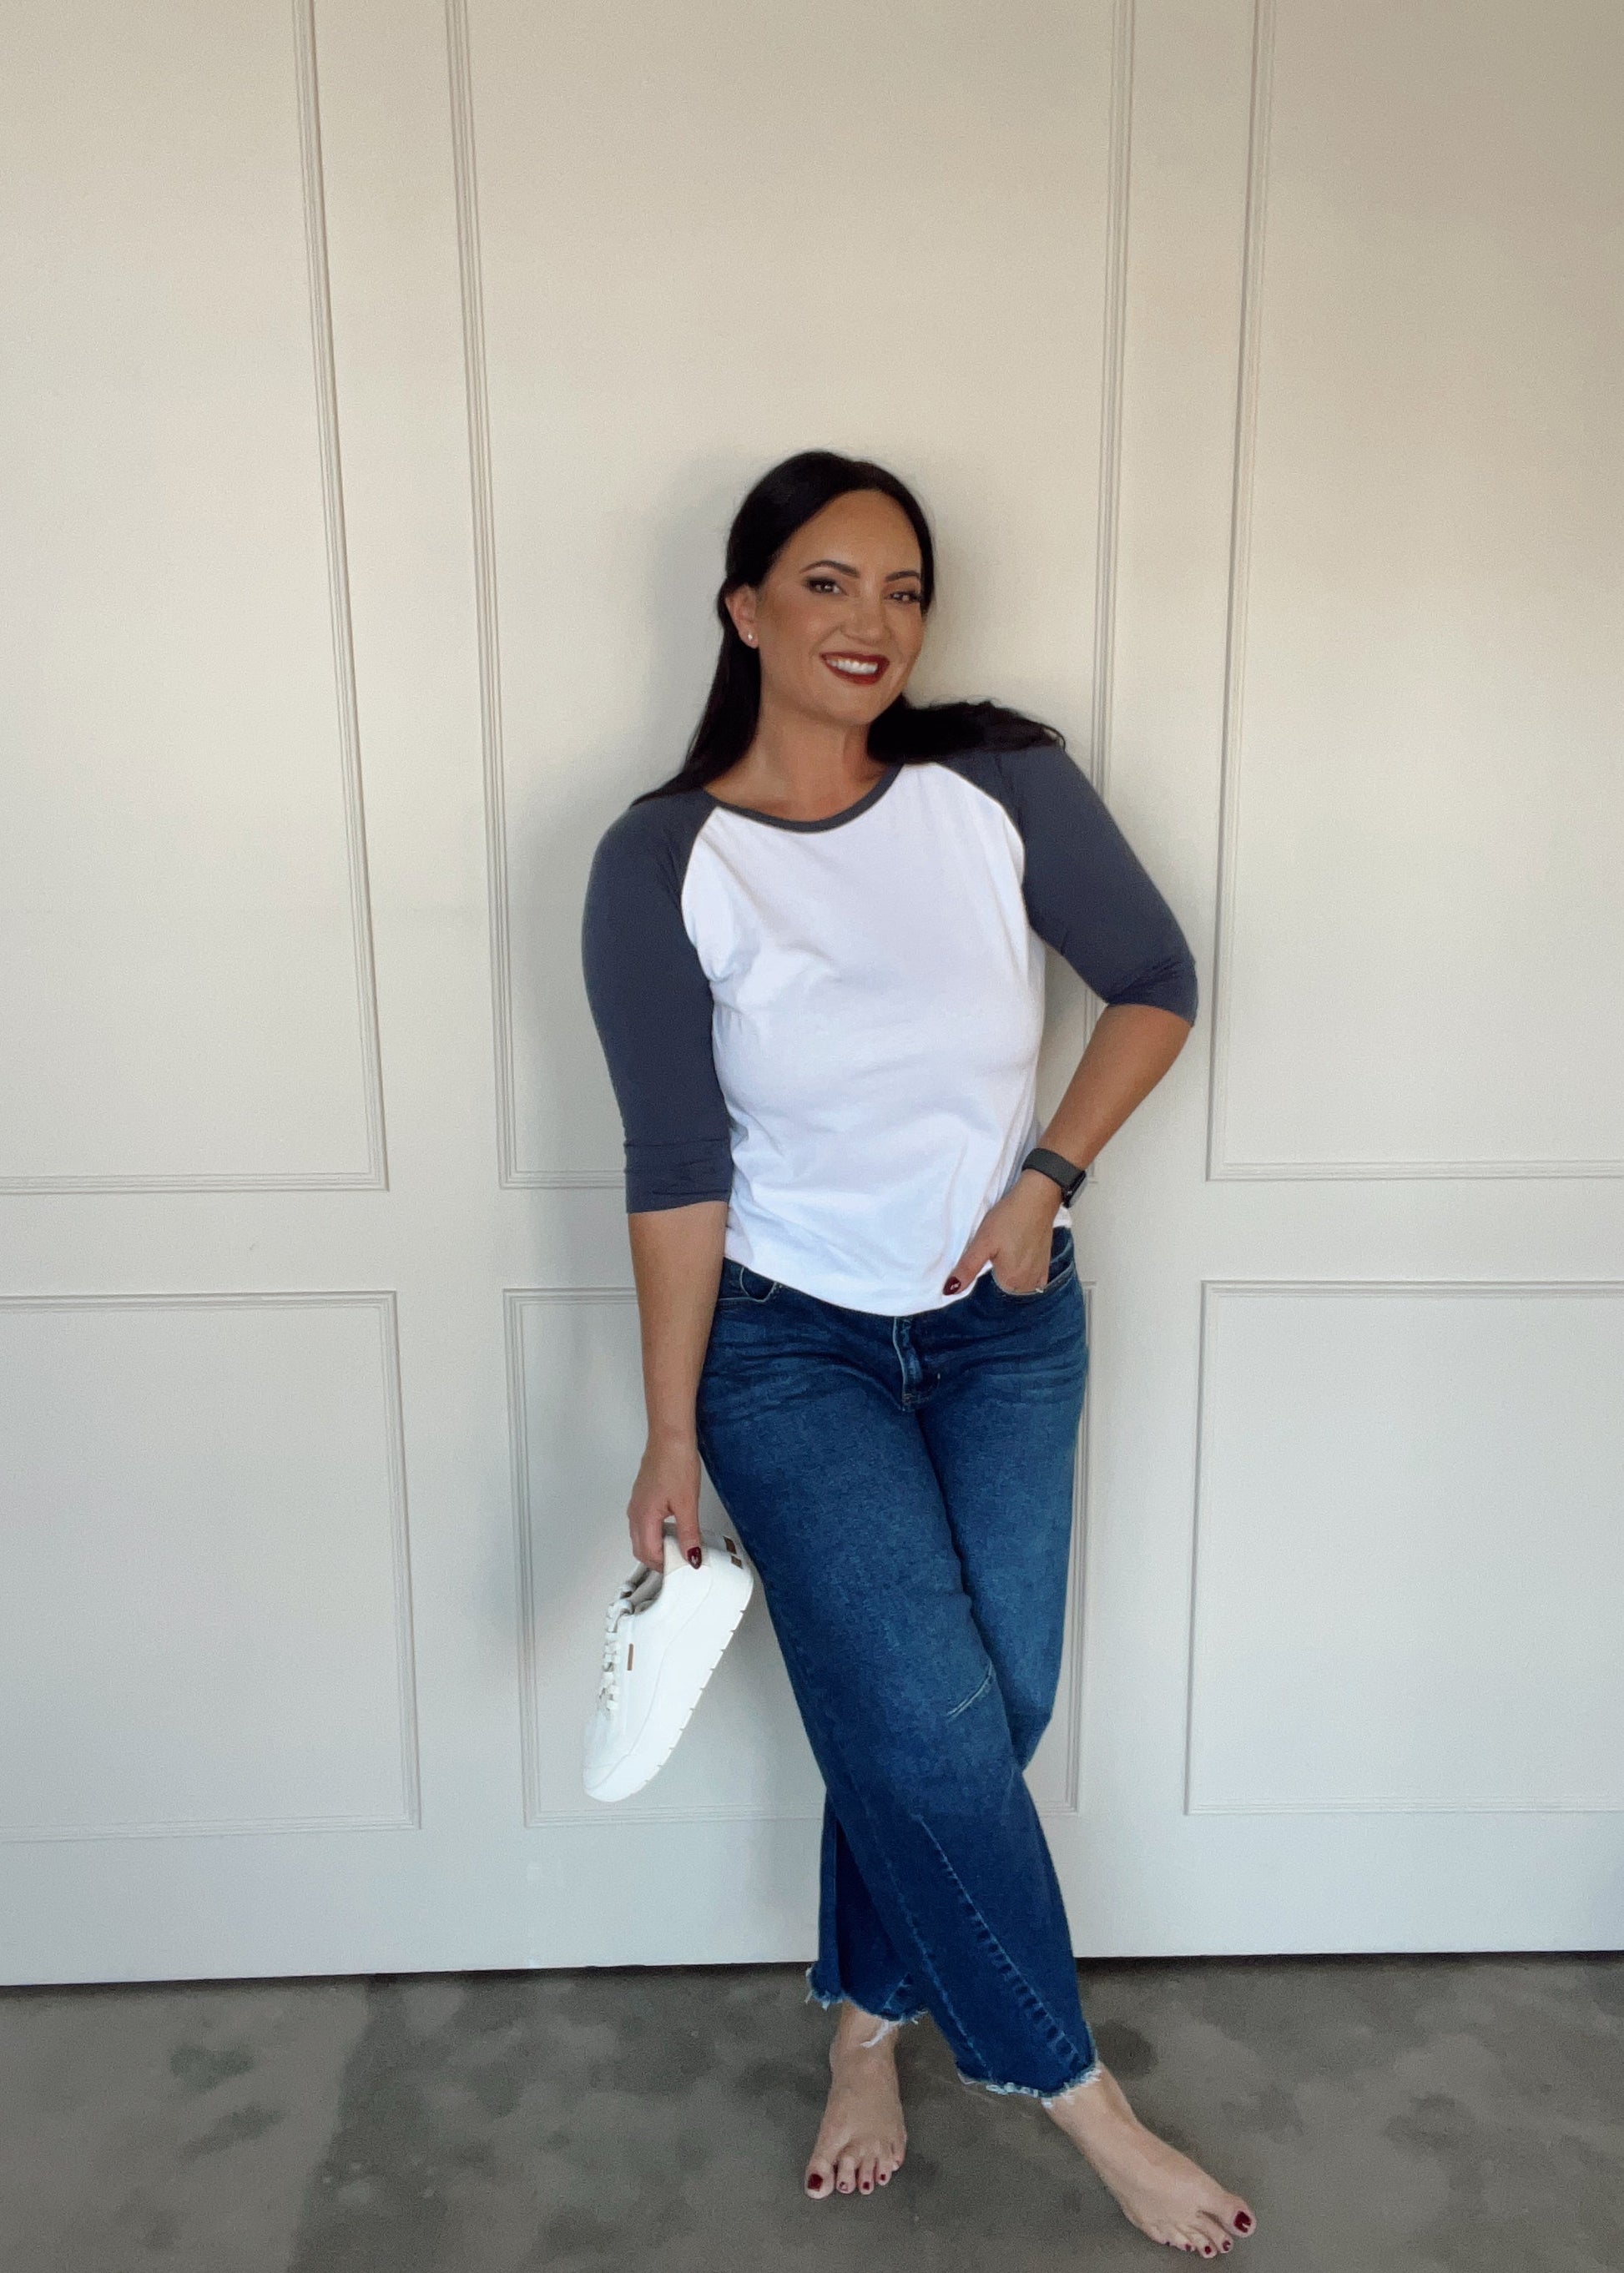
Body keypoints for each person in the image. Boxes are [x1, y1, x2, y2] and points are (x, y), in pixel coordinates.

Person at [580, 451, 1257, 2258]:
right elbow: (672, 1161)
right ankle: (1080, 2100)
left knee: (979, 1712)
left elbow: (1155, 973)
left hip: (1004, 1330)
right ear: (744, 612)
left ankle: (866, 2030)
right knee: (936, 1733)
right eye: (824, 585)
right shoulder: (666, 856)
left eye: (899, 590)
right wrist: (668, 1432)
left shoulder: (996, 790)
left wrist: (1046, 1179)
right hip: (786, 1352)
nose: (868, 623)